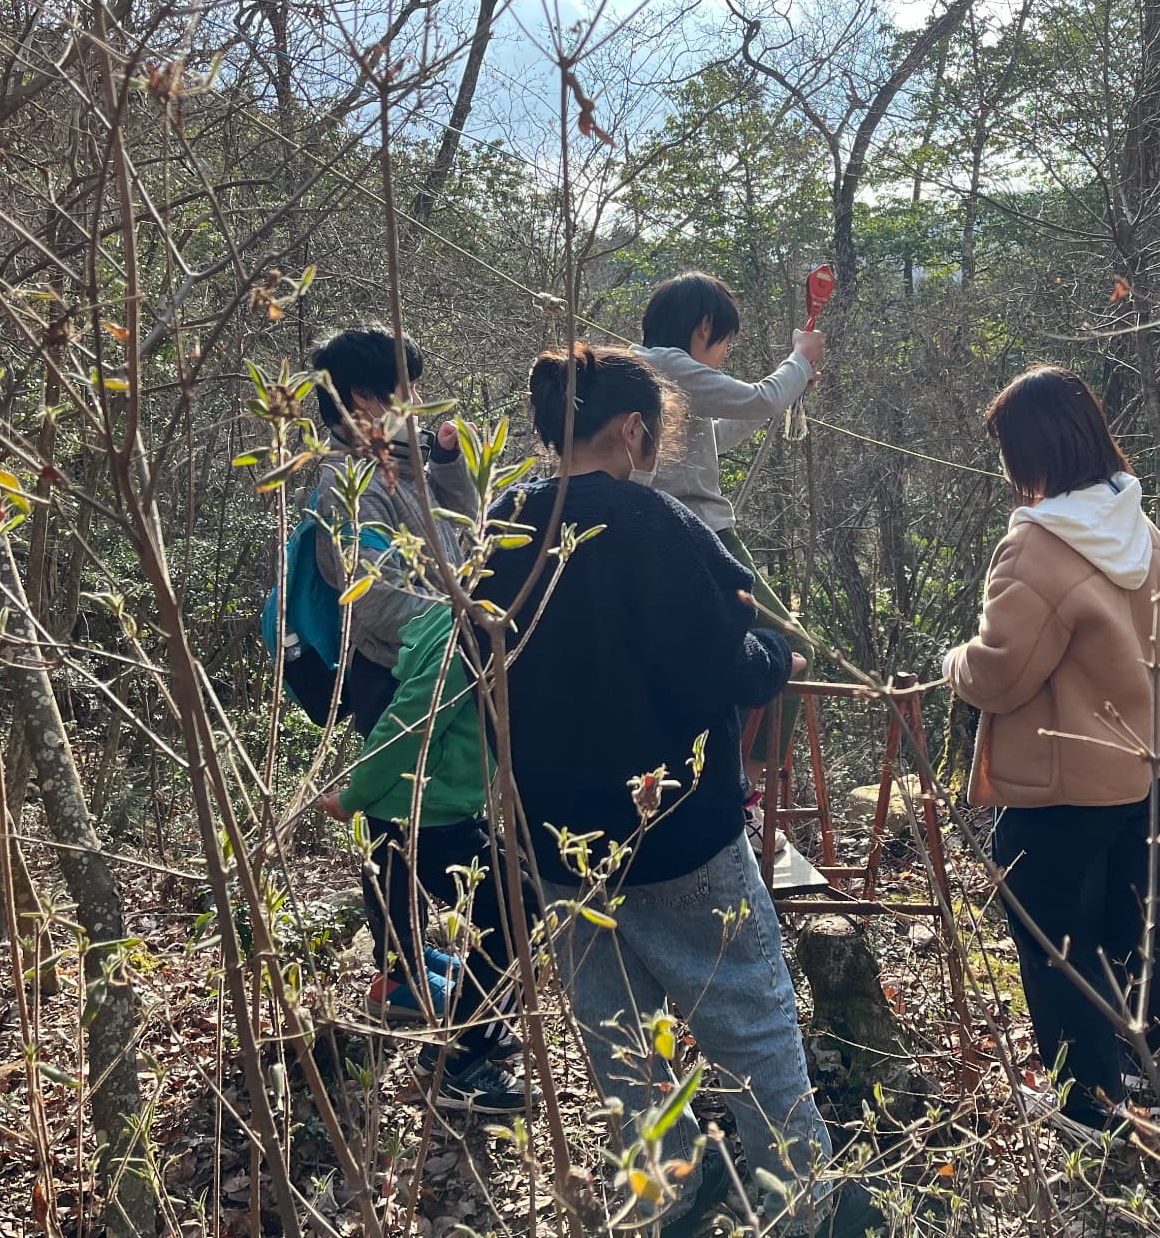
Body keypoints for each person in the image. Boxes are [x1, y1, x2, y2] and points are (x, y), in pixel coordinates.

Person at [474, 344, 877, 1237]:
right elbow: (717, 664)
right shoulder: (653, 525)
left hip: (555, 841)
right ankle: (805, 1199)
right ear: (630, 429)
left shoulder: (498, 529)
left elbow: (480, 671)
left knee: (618, 1036)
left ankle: (665, 1191)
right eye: (652, 429)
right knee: (750, 1017)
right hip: (678, 830)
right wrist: (778, 660)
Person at [943, 365, 1160, 1139]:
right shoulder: (1143, 532)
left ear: (1032, 452)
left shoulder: (1039, 548)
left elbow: (1000, 676)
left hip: (1059, 786)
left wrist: (951, 663)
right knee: (1131, 922)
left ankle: (1088, 1105)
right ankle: (1153, 1069)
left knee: (1055, 942)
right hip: (1143, 772)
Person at [634, 273, 822, 856]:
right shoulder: (668, 364)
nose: (721, 357)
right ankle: (743, 789)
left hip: (660, 536)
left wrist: (791, 386)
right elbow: (758, 398)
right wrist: (800, 361)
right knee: (788, 650)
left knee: (705, 663)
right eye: (723, 345)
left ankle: (733, 784)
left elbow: (719, 432)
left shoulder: (643, 372)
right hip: (704, 537)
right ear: (704, 328)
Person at [319, 599, 531, 1114]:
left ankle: (466, 1023)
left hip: (425, 807)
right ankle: (459, 1060)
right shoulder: (467, 624)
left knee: (415, 906)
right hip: (422, 811)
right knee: (518, 911)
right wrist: (352, 798)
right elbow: (409, 720)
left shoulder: (461, 614)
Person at [309, 326, 480, 739]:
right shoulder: (348, 487)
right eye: (410, 389)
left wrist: (446, 460)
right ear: (363, 396)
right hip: (399, 682)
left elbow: (466, 519)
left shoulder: (404, 464)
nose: (419, 402)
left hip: (443, 662)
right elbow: (374, 597)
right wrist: (464, 625)